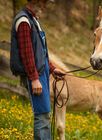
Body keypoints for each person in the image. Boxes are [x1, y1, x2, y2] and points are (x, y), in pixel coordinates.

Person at [10, 0, 64, 139]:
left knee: (45, 114)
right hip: (35, 75)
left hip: (41, 72)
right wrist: (34, 79)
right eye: (43, 2)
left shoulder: (33, 20)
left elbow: (40, 52)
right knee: (42, 115)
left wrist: (52, 69)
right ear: (35, 1)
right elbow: (27, 54)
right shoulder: (23, 21)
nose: (45, 6)